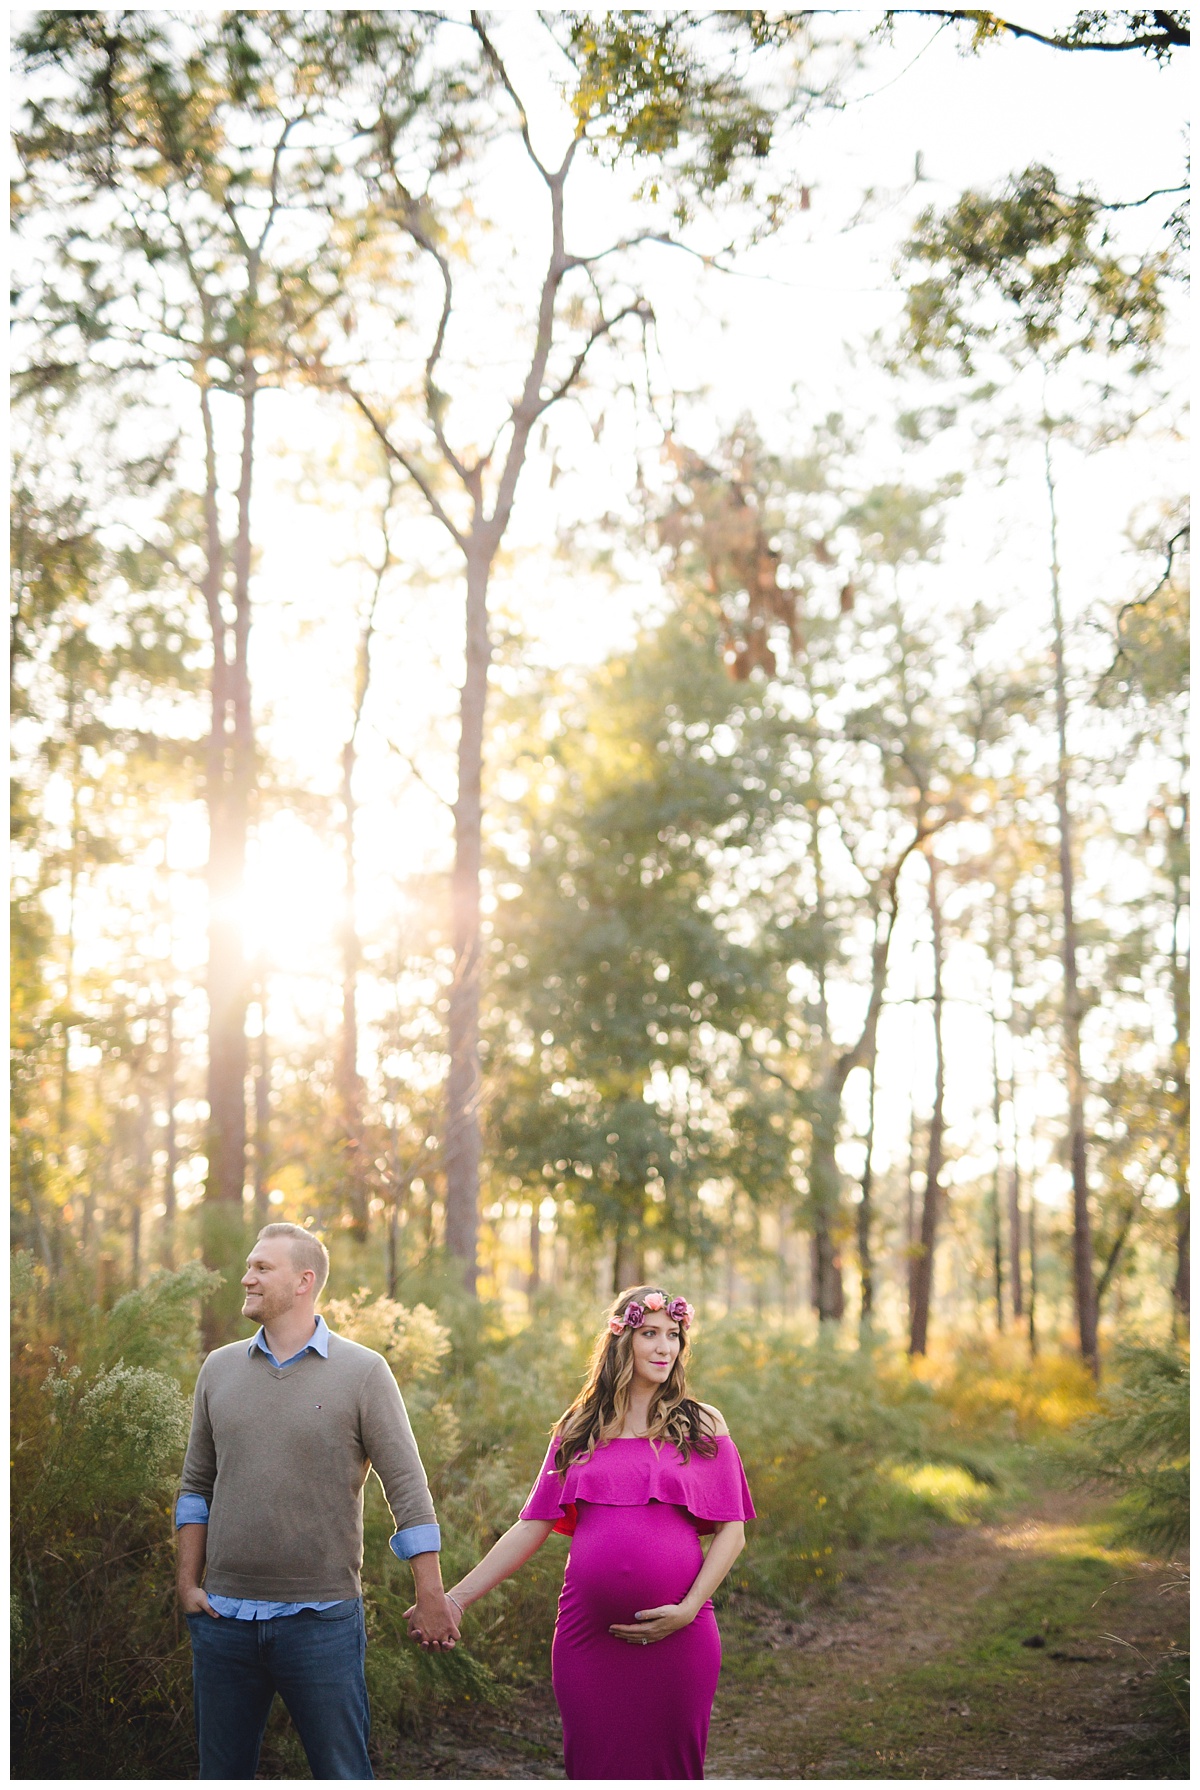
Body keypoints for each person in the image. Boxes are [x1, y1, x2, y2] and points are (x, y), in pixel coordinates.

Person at [419, 1284, 755, 1779]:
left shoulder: (701, 1425)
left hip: (681, 1637)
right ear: (622, 1340)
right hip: (587, 1640)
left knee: (675, 1769)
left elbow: (733, 1531)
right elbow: (532, 1524)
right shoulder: (579, 1428)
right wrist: (455, 1600)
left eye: (674, 1335)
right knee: (593, 1767)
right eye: (650, 1334)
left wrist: (686, 1610)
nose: (665, 1347)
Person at [175, 1221, 459, 1780]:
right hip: (224, 1621)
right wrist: (187, 1584)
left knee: (342, 1772)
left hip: (321, 1622)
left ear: (304, 1281)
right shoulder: (219, 1368)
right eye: (249, 1266)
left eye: (262, 1268)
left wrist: (432, 1594)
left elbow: (406, 1487)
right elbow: (195, 1487)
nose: (246, 1277)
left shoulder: (363, 1372)